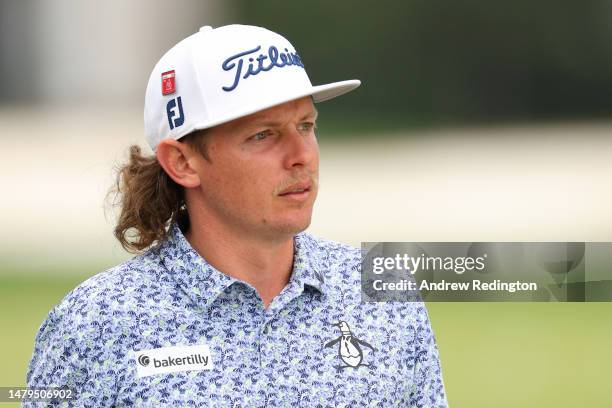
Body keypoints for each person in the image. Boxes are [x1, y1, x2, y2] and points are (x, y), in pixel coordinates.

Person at [25, 24, 448, 407]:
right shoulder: (95, 322)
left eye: (306, 126)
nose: (302, 156)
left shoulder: (384, 297)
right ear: (183, 162)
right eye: (263, 135)